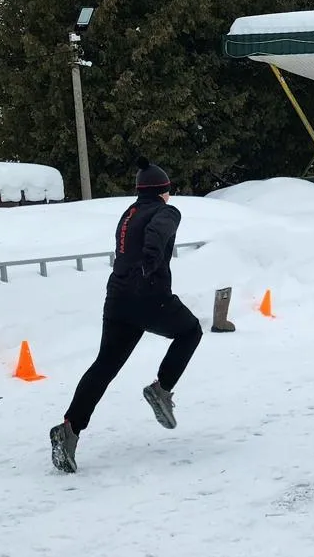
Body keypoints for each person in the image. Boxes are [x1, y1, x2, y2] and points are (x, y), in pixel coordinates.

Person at [49, 161, 202, 473]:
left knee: (105, 366)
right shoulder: (167, 211)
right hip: (149, 295)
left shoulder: (128, 213)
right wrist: (149, 263)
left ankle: (69, 429)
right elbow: (157, 235)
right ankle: (161, 389)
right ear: (164, 191)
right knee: (191, 331)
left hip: (118, 298)